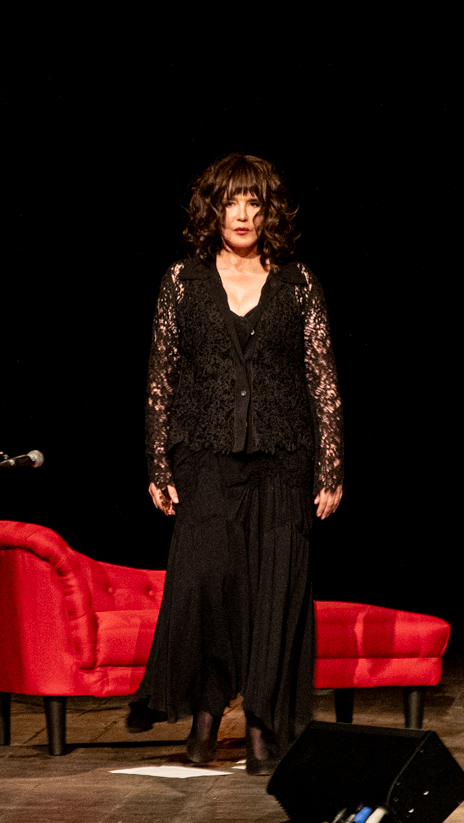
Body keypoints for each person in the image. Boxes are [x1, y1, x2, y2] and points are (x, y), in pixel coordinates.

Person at [124, 153, 343, 775]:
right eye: (230, 202)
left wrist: (329, 468)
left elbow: (322, 379)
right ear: (212, 210)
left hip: (283, 458)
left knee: (276, 593)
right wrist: (158, 463)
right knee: (208, 589)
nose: (241, 214)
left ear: (269, 211)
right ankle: (204, 718)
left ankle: (261, 730)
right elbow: (160, 381)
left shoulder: (298, 282)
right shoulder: (181, 281)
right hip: (206, 458)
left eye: (253, 202)